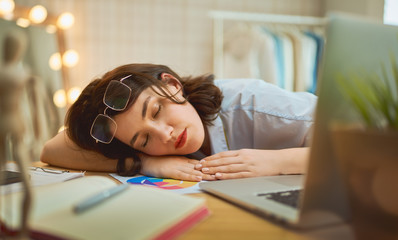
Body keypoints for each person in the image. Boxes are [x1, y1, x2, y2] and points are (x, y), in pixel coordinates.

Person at [40, 63, 317, 181]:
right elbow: (52, 149)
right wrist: (146, 163)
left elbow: (357, 143)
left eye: (157, 111)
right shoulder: (150, 152)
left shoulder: (254, 104)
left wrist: (275, 163)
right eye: (144, 140)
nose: (165, 135)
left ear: (172, 84)